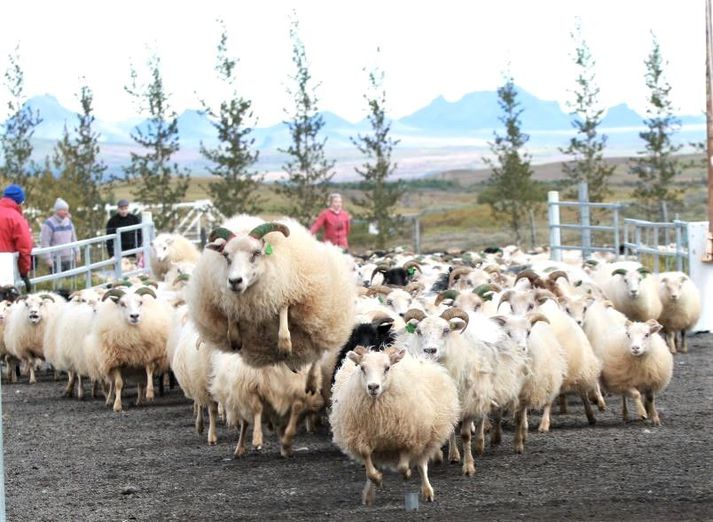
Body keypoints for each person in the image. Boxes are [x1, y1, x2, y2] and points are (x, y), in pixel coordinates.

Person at [0, 184, 33, 291]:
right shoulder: (16, 218)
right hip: (5, 267)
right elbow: (25, 248)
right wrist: (24, 272)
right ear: (19, 202)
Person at [40, 197, 80, 273]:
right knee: (57, 283)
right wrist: (48, 259)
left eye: (67, 210)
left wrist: (77, 253)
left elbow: (74, 239)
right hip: (55, 260)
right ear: (57, 211)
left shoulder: (69, 223)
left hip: (69, 259)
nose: (66, 212)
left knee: (70, 282)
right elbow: (45, 242)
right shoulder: (48, 224)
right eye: (64, 210)